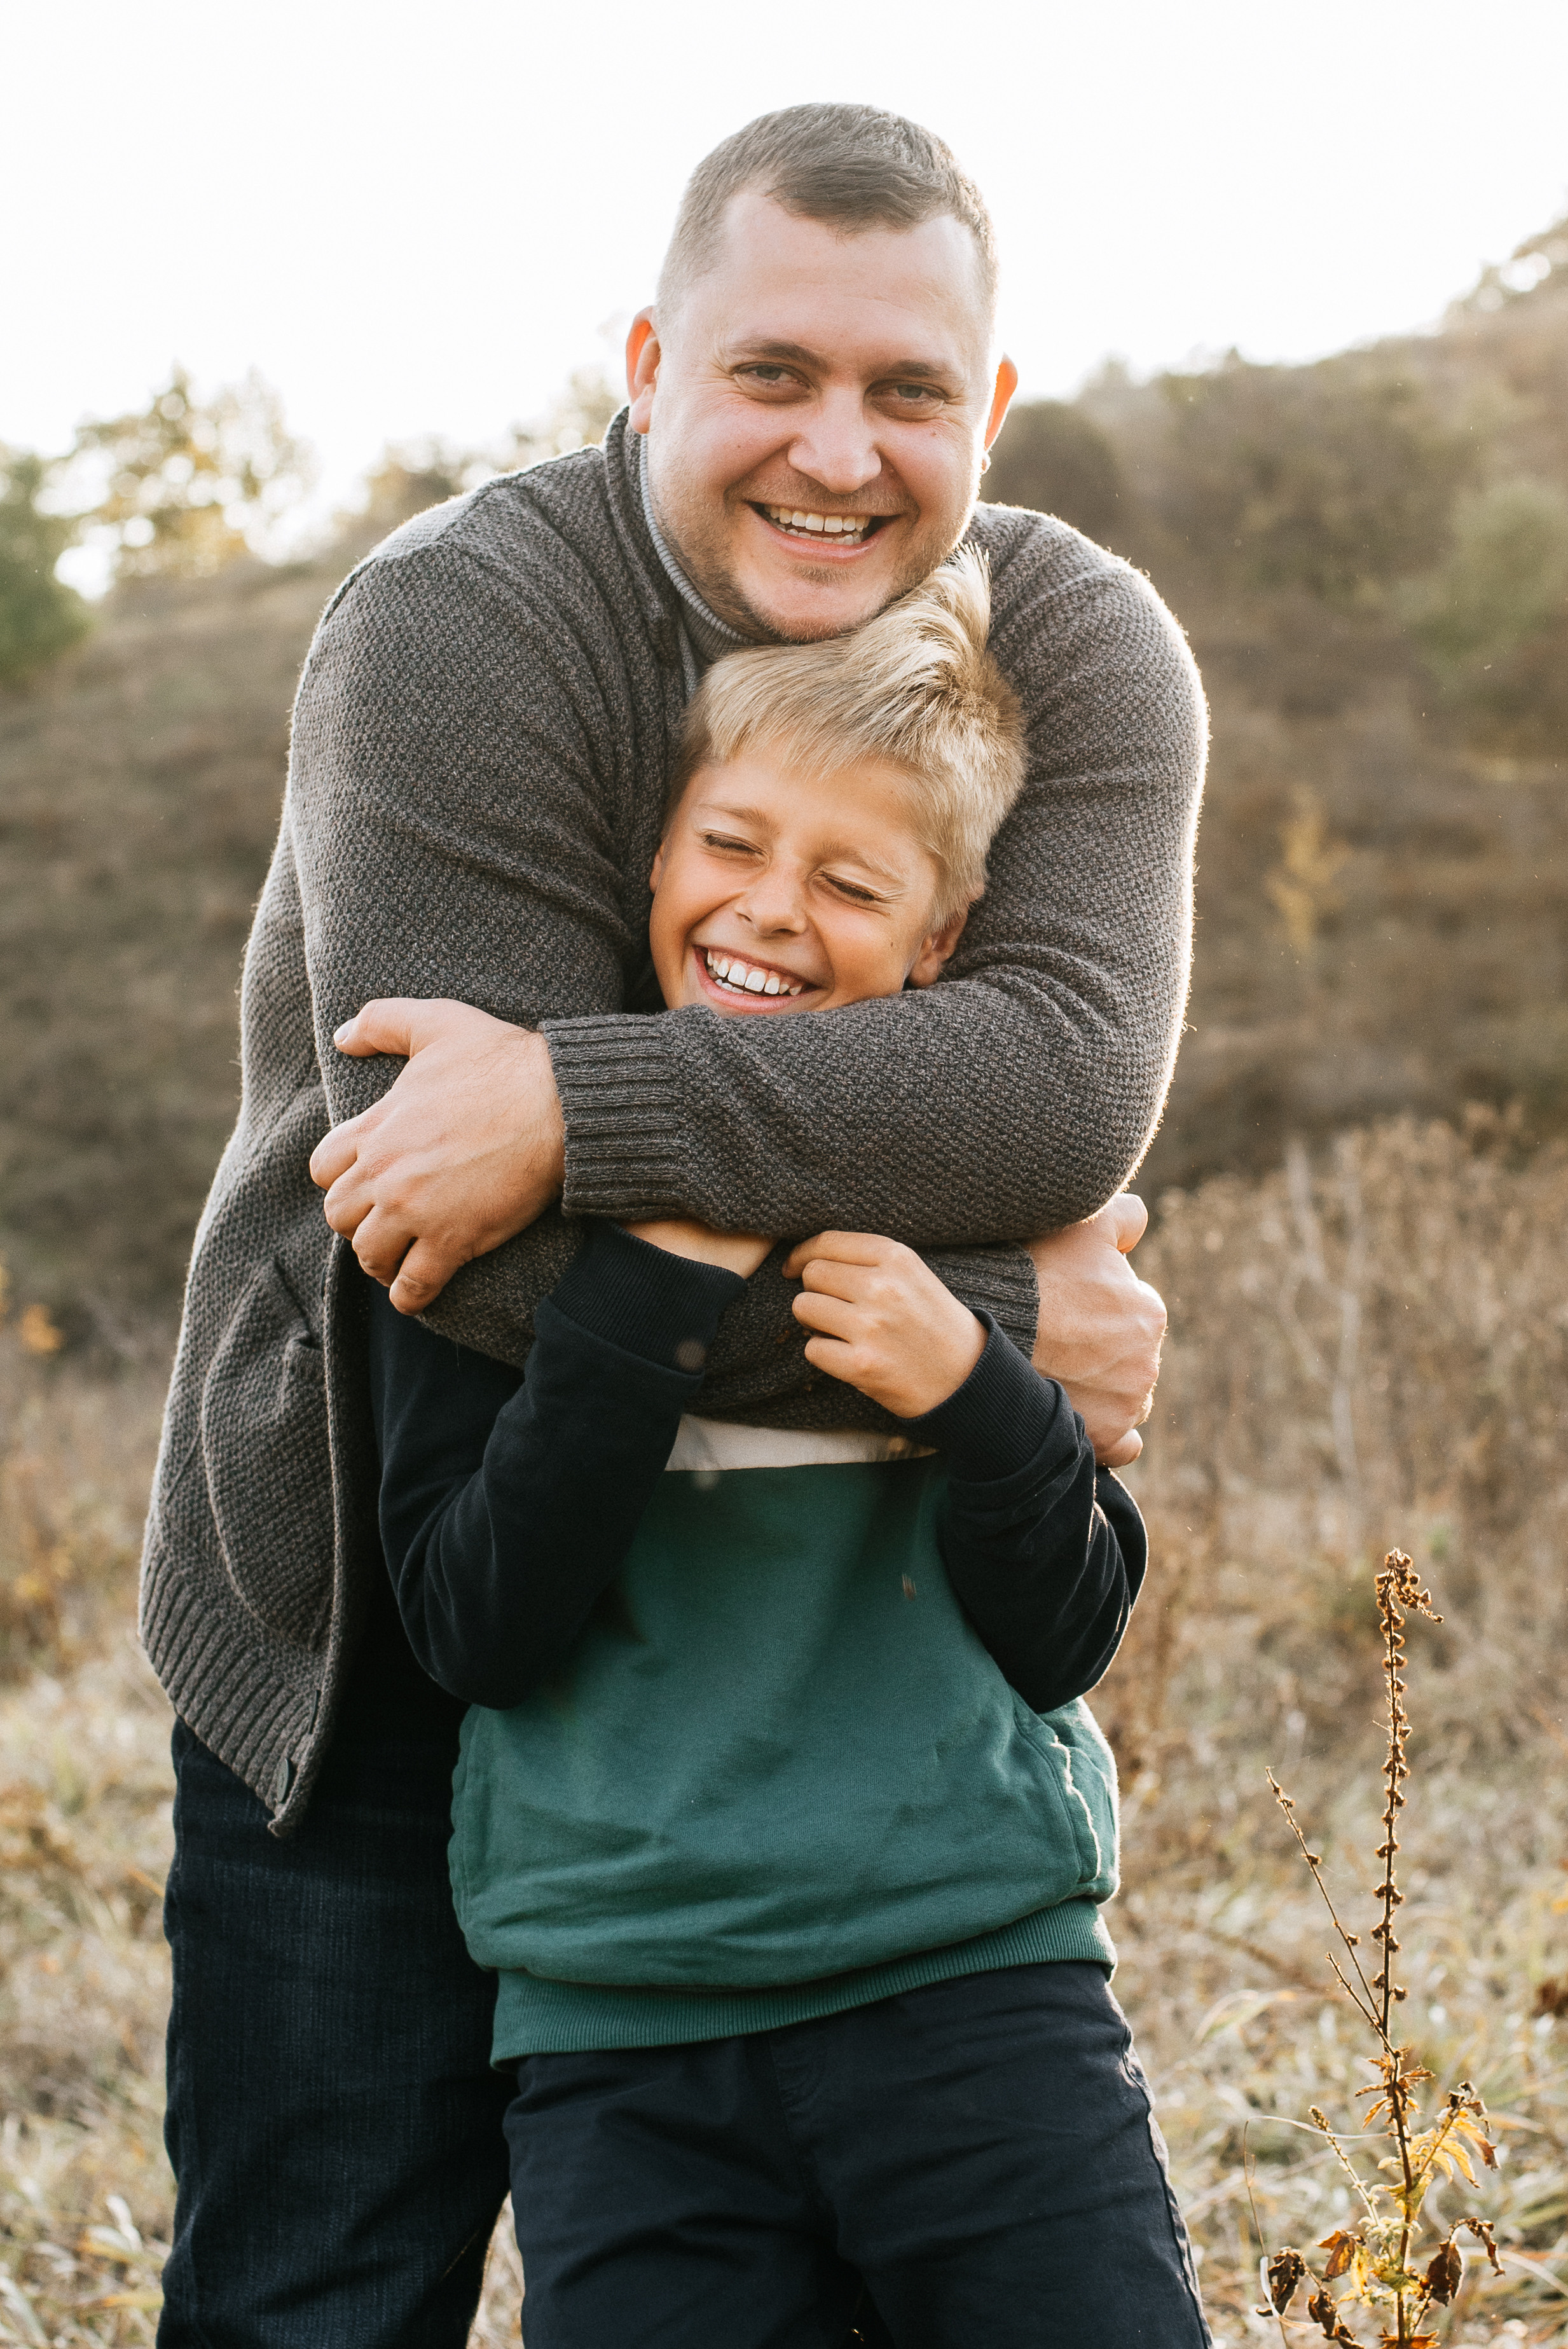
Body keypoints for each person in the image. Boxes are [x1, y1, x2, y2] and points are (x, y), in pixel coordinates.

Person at [145, 104, 1203, 2345]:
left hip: (806, 1648)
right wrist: (997, 1313)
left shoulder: (1078, 644)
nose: (838, 450)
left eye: (908, 390)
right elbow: (482, 1255)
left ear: (984, 411)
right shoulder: (456, 628)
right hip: (378, 1578)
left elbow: (1054, 1080)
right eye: (771, 372)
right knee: (322, 2290)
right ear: (645, 358)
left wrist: (576, 1099)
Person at [367, 553, 1207, 2345]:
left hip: (978, 1986)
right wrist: (659, 1269)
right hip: (620, 2024)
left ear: (936, 940)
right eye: (729, 847)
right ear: (654, 859)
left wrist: (978, 1385)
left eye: (848, 880)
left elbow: (1064, 1631)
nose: (769, 911)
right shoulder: (499, 1212)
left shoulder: (973, 1220)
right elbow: (474, 1628)